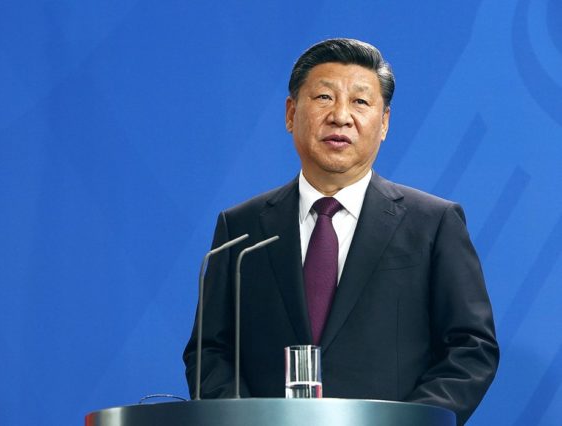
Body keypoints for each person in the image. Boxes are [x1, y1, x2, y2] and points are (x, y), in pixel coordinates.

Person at [183, 38, 499, 426]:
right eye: (324, 98)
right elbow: (210, 351)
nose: (341, 116)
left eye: (360, 102)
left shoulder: (433, 223)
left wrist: (408, 422)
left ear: (384, 123)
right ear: (290, 113)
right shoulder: (242, 227)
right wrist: (248, 421)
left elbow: (471, 348)